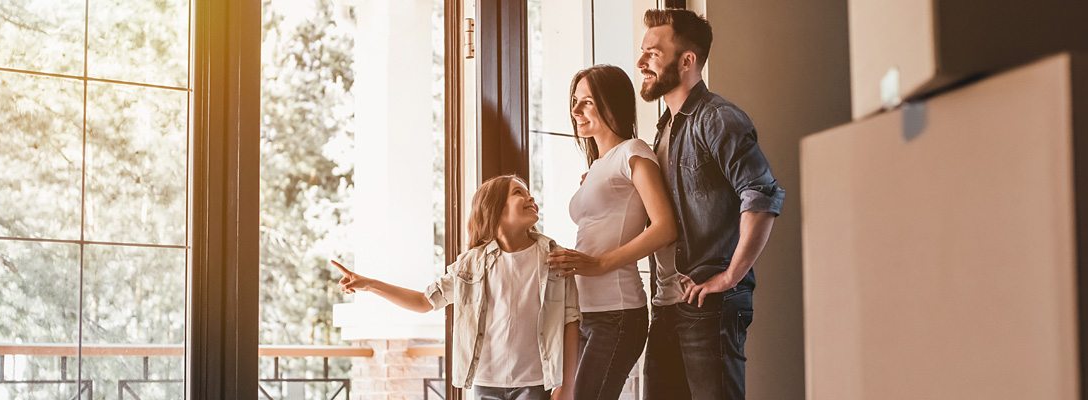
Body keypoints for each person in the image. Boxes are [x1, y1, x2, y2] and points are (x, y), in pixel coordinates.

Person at [635, 9, 785, 400]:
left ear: (687, 61)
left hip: (708, 305)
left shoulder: (717, 119)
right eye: (642, 51)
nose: (641, 61)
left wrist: (730, 276)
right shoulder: (666, 128)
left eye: (653, 52)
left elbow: (762, 194)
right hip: (666, 305)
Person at [331, 175, 581, 400]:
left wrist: (566, 387)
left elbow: (571, 322)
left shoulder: (555, 258)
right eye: (518, 193)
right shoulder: (470, 264)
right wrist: (370, 285)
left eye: (528, 193)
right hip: (485, 382)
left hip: (536, 383)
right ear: (494, 208)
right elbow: (423, 301)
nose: (530, 197)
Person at [545, 64, 691, 400]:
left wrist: (598, 264)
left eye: (587, 102)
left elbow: (665, 227)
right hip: (585, 311)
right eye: (575, 101)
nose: (575, 110)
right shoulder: (597, 166)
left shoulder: (633, 152)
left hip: (618, 312)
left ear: (611, 104)